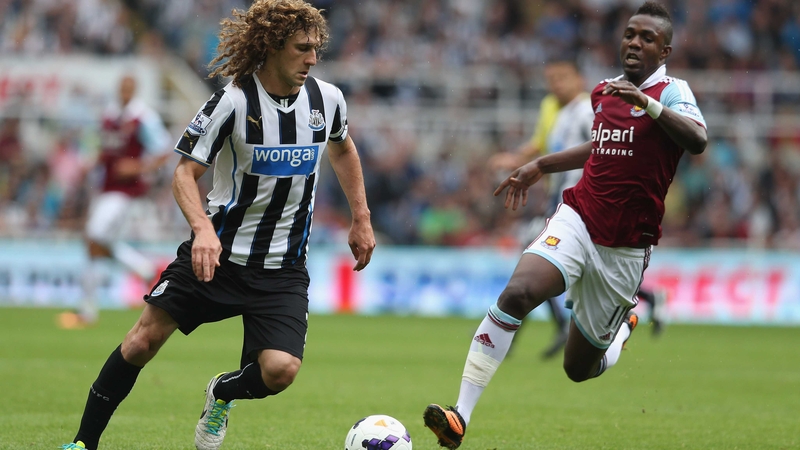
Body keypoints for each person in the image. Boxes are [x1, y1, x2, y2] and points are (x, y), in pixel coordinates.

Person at [61, 1, 376, 449]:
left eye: (316, 49)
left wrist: (361, 218)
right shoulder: (232, 102)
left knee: (281, 370)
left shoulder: (328, 100)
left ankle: (221, 393)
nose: (312, 59)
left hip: (282, 266)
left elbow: (342, 148)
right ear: (271, 46)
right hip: (218, 256)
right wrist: (203, 229)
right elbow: (183, 173)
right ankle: (82, 444)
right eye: (302, 48)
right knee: (141, 342)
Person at [423, 2, 707, 448]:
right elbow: (599, 147)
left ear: (664, 49)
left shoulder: (673, 91)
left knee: (579, 369)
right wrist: (540, 165)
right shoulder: (603, 92)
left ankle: (628, 319)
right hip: (578, 217)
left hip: (626, 246)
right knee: (518, 293)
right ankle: (460, 414)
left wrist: (647, 105)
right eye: (630, 34)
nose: (634, 42)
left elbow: (697, 140)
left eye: (646, 38)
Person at [491, 59, 594, 359]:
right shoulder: (557, 112)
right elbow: (545, 150)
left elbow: (600, 152)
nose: (556, 84)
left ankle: (509, 329)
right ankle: (530, 327)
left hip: (579, 202)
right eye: (551, 79)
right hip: (559, 200)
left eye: (562, 77)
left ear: (579, 78)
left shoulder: (588, 111)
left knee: (534, 257)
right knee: (536, 259)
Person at [58, 75, 171, 329]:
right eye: (122, 87)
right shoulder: (110, 116)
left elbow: (165, 150)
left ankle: (89, 309)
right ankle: (140, 272)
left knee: (94, 236)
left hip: (125, 192)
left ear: (135, 89)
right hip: (105, 188)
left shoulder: (143, 117)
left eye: (129, 87)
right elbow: (105, 147)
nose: (124, 91)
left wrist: (138, 166)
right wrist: (93, 162)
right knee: (95, 243)